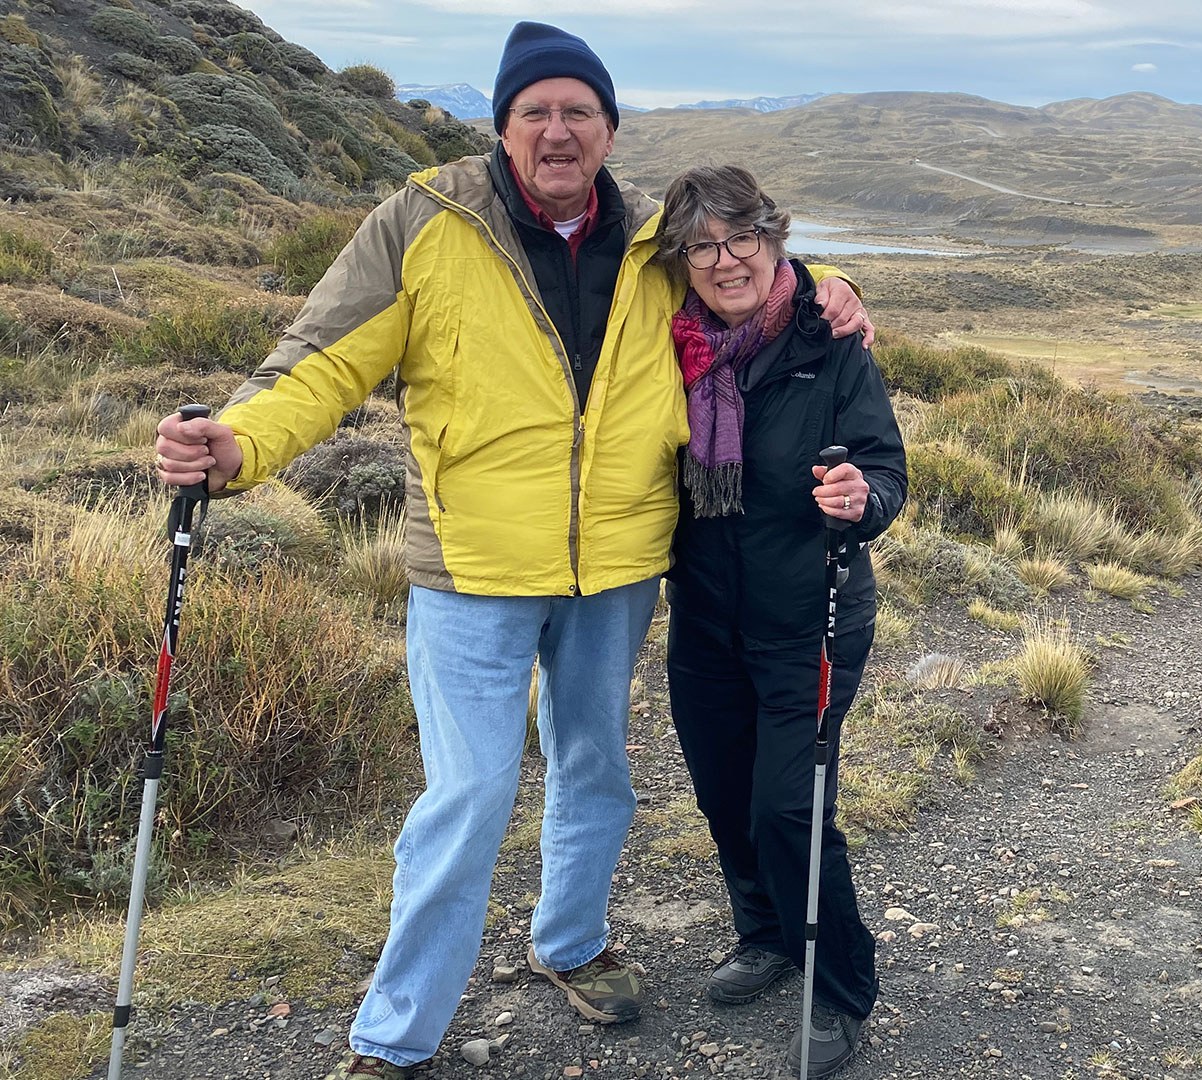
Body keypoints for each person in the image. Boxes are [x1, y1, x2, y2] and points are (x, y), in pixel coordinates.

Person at [151, 24, 870, 1080]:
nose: (558, 129)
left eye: (580, 110)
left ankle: (571, 945)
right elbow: (321, 359)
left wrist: (829, 283)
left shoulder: (650, 241)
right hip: (473, 567)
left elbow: (748, 275)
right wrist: (242, 442)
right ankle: (396, 1038)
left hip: (617, 564)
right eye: (535, 111)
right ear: (502, 127)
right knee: (469, 795)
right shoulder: (426, 222)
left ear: (612, 129)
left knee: (598, 773)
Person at [655, 165, 906, 1079]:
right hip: (706, 618)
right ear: (681, 259)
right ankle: (764, 936)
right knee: (725, 796)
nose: (726, 262)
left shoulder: (830, 339)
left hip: (813, 618)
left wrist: (859, 498)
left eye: (743, 239)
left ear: (774, 238)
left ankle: (839, 989)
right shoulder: (666, 343)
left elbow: (886, 471)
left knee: (788, 808)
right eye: (703, 246)